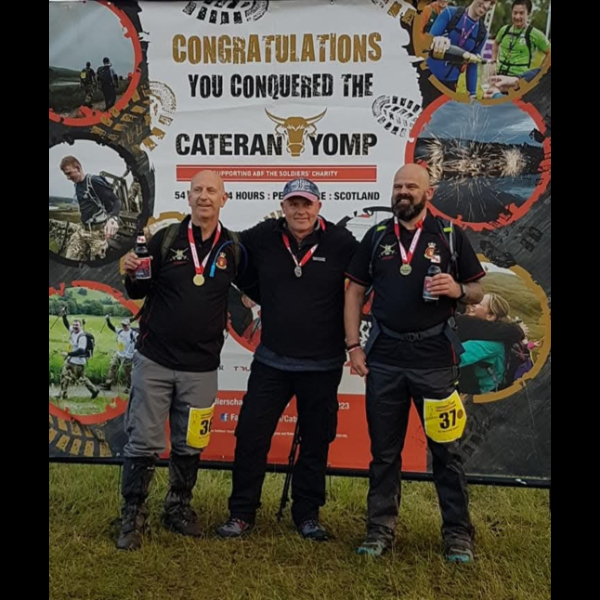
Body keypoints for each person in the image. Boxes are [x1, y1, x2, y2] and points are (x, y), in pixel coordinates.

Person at [345, 164, 486, 563]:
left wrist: (458, 289)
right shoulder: (376, 236)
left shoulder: (449, 235)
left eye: (411, 186)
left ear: (429, 193)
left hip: (435, 360)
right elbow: (354, 292)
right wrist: (353, 346)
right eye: (398, 186)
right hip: (385, 359)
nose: (403, 192)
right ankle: (379, 530)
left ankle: (457, 534)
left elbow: (477, 290)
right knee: (384, 453)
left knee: (446, 452)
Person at [217, 179, 359, 542]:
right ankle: (241, 513)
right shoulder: (264, 235)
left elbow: (367, 281)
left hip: (323, 364)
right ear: (282, 207)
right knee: (251, 435)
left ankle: (307, 515)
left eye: (307, 203)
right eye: (293, 203)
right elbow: (225, 247)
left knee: (316, 442)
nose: (300, 210)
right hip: (272, 361)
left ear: (319, 206)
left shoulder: (341, 241)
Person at [116, 170, 242, 551]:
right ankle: (132, 515)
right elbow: (138, 289)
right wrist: (130, 272)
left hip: (201, 367)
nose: (204, 196)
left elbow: (255, 290)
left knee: (191, 442)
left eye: (211, 190)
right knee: (143, 441)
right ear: (188, 197)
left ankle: (178, 507)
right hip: (155, 359)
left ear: (224, 199)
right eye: (197, 190)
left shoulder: (234, 248)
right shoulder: (166, 239)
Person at [427, 0, 497, 98]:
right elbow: (427, 42)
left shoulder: (482, 33)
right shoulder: (450, 13)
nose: (486, 5)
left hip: (450, 86)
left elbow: (473, 64)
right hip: (427, 77)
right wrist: (437, 40)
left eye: (492, 3)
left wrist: (472, 94)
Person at [59, 156, 121, 262]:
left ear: (78, 168)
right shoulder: (77, 185)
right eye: (66, 174)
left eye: (69, 173)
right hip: (82, 230)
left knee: (97, 265)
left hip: (97, 233)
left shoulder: (94, 181)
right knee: (69, 259)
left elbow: (116, 201)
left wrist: (113, 218)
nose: (68, 178)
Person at [455, 304, 526, 394]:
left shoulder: (489, 344)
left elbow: (451, 356)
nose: (470, 305)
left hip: (484, 394)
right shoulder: (500, 337)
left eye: (478, 303)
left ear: (490, 316)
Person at [492, 0, 551, 77]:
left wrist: (540, 72)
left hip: (520, 79)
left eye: (521, 13)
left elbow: (549, 52)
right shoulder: (504, 30)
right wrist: (493, 62)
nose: (517, 17)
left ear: (529, 14)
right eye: (515, 13)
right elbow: (496, 43)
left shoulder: (535, 34)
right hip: (499, 75)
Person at [56, 308, 99, 401]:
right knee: (78, 377)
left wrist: (68, 354)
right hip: (74, 361)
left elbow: (81, 351)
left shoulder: (82, 337)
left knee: (66, 376)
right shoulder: (73, 331)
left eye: (77, 325)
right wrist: (64, 315)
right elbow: (67, 325)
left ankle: (63, 394)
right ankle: (94, 390)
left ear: (81, 326)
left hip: (77, 362)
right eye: (74, 325)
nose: (75, 327)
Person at [102, 316, 138, 392]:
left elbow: (140, 340)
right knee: (112, 367)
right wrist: (108, 320)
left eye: (125, 325)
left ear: (129, 325)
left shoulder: (133, 333)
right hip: (118, 354)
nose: (124, 326)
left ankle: (129, 387)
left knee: (128, 373)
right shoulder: (120, 331)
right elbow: (111, 327)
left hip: (128, 356)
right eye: (123, 324)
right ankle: (108, 384)